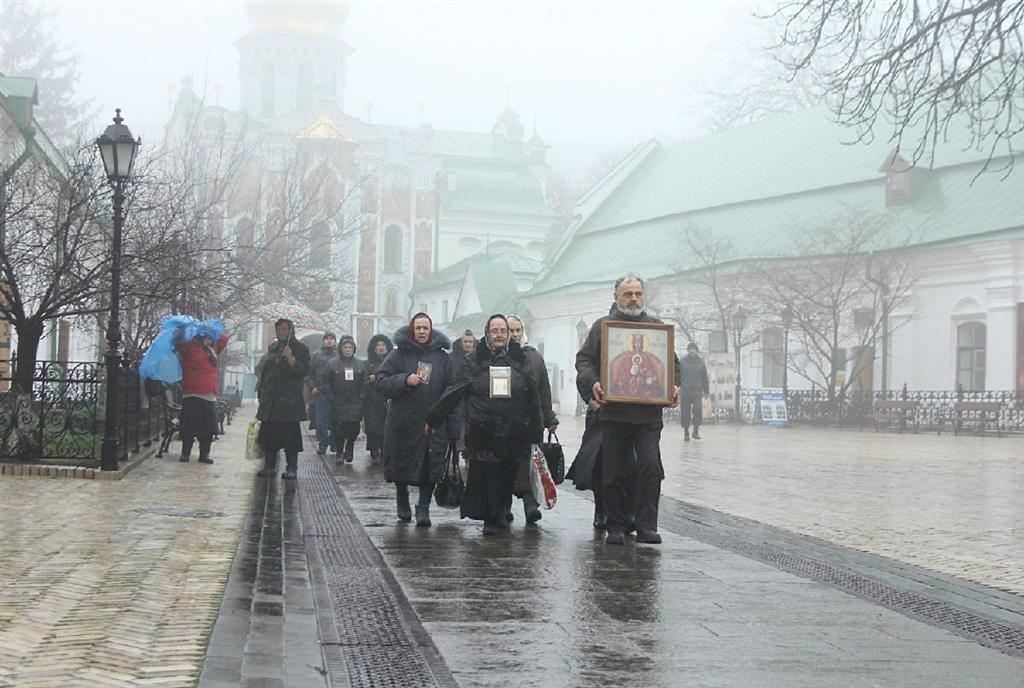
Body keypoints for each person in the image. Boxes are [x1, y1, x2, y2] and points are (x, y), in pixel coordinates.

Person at [575, 275, 679, 545]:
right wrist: (595, 382)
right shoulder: (602, 328)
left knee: (649, 466)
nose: (633, 298)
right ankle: (616, 524)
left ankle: (647, 525)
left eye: (637, 293)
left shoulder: (656, 329)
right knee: (613, 470)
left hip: (648, 415)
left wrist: (674, 386)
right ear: (616, 297)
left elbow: (671, 365)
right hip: (614, 414)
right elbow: (584, 360)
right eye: (627, 293)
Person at [427, 314, 541, 536]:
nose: (499, 335)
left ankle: (500, 512)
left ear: (509, 334)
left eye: (503, 331)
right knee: (486, 475)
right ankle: (489, 517)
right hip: (483, 429)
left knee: (507, 474)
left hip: (513, 429)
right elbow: (455, 390)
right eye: (494, 331)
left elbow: (533, 394)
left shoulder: (520, 359)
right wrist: (434, 417)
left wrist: (536, 427)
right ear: (487, 334)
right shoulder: (474, 360)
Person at [375, 313, 454, 527]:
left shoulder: (443, 357)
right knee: (402, 464)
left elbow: (451, 389)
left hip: (432, 423)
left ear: (431, 330)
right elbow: (381, 381)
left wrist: (446, 420)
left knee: (429, 467)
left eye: (425, 328)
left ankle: (423, 508)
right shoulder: (398, 355)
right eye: (417, 328)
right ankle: (402, 501)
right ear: (412, 330)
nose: (421, 331)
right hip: (403, 422)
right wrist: (404, 380)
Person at [505, 314, 558, 524]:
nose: (515, 334)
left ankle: (530, 504)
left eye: (518, 330)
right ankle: (504, 506)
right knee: (506, 464)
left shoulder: (534, 357)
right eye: (511, 330)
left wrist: (549, 417)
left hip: (530, 422)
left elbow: (544, 389)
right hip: (504, 422)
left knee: (529, 465)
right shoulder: (498, 356)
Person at [256, 318, 311, 479]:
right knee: (269, 436)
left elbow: (303, 371)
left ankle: (291, 467)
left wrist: (291, 358)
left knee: (290, 437)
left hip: (289, 401)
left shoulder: (300, 348)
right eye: (279, 329)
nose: (281, 332)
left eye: (285, 329)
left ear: (290, 330)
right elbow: (266, 371)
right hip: (271, 400)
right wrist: (262, 391)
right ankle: (269, 466)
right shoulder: (273, 348)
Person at [175, 326, 229, 464]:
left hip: (208, 394)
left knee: (207, 429)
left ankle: (204, 454)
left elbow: (224, 338)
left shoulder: (212, 349)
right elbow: (178, 342)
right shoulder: (189, 346)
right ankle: (185, 452)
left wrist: (211, 329)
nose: (209, 339)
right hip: (192, 392)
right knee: (189, 427)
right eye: (206, 336)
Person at [326, 335, 367, 463]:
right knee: (338, 429)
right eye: (345, 347)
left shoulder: (360, 364)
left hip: (355, 402)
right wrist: (331, 396)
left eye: (350, 347)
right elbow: (325, 381)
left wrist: (361, 397)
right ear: (341, 349)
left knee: (353, 427)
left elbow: (365, 383)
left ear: (353, 349)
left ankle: (350, 446)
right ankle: (339, 452)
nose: (347, 350)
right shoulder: (332, 364)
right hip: (338, 401)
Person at [363, 333, 394, 464]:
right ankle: (374, 451)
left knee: (386, 426)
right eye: (378, 345)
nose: (381, 348)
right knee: (372, 427)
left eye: (383, 345)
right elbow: (362, 380)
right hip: (371, 399)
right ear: (374, 348)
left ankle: (384, 451)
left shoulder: (392, 362)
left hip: (387, 398)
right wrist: (370, 379)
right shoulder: (367, 363)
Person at [308, 332, 338, 455]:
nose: (329, 341)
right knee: (321, 421)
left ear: (335, 341)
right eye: (327, 339)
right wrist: (313, 387)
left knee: (336, 419)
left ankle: (334, 443)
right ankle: (322, 444)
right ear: (323, 341)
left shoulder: (339, 355)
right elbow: (309, 374)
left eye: (332, 339)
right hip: (321, 392)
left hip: (336, 392)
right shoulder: (316, 355)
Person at [679, 342, 710, 441]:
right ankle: (686, 432)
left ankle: (695, 431)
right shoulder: (682, 361)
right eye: (690, 349)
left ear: (696, 351)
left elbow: (704, 377)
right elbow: (678, 375)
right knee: (685, 412)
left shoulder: (701, 362)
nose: (692, 351)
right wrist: (678, 387)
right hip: (685, 391)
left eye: (694, 349)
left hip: (697, 391)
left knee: (697, 410)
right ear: (688, 350)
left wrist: (706, 391)